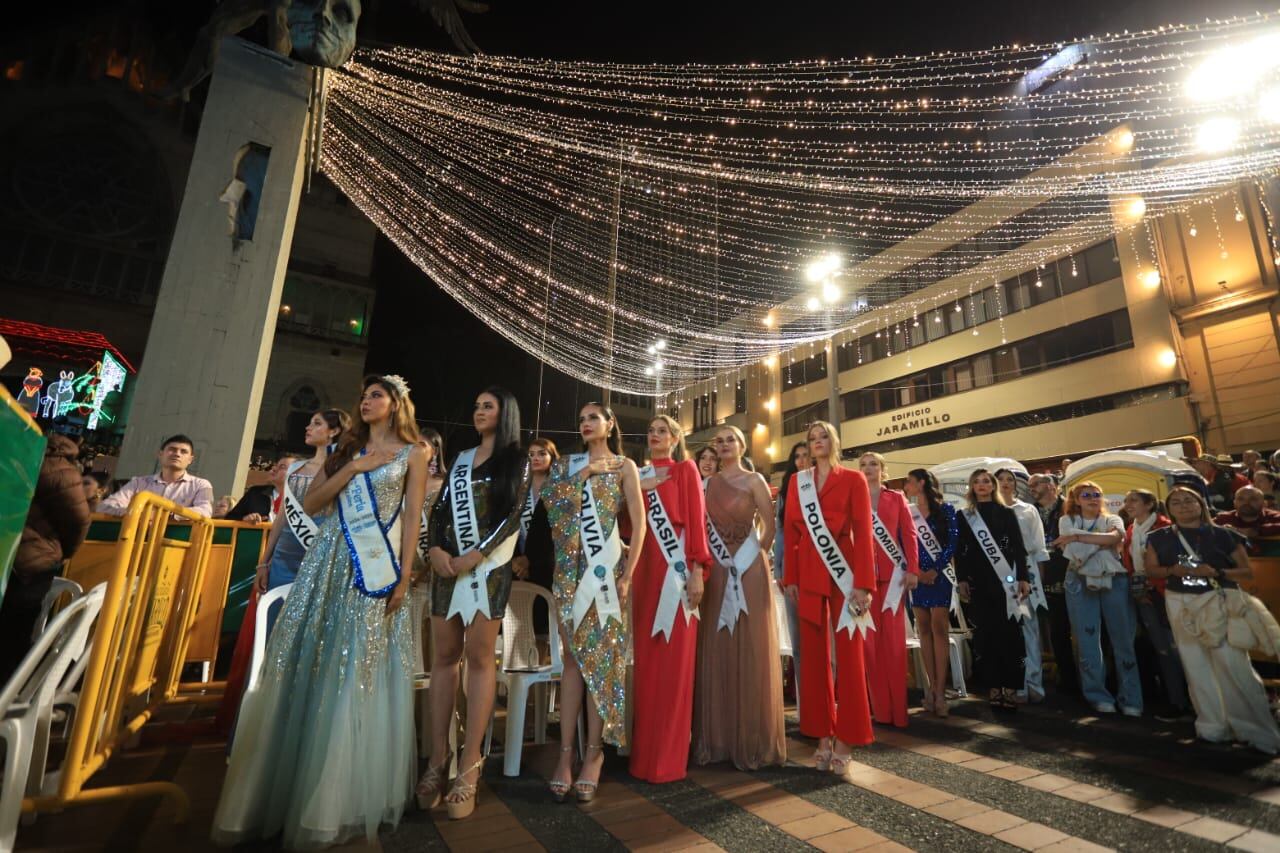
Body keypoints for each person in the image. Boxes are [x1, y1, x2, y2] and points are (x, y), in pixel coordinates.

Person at [212, 375, 429, 849]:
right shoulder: (347, 449)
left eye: (376, 395)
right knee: (310, 658)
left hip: (372, 568)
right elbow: (311, 503)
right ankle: (285, 783)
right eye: (364, 395)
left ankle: (337, 798)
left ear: (396, 403)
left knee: (355, 665)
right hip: (325, 561)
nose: (366, 401)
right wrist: (354, 468)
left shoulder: (415, 453)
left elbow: (412, 515)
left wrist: (404, 574)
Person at [420, 387, 531, 819]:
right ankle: (438, 757)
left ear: (506, 414)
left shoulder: (517, 460)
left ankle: (470, 763)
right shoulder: (462, 459)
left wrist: (477, 554)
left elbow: (513, 515)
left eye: (488, 406)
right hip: (448, 569)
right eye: (477, 406)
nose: (478, 411)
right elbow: (439, 511)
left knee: (480, 659)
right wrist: (435, 549)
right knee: (444, 658)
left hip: (488, 570)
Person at [545, 403, 645, 802]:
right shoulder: (567, 464)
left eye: (593, 418)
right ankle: (564, 754)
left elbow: (638, 524)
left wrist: (628, 575)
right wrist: (585, 473)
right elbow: (552, 507)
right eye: (582, 419)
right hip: (569, 573)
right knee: (572, 660)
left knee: (601, 663)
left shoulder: (624, 466)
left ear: (610, 423)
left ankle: (594, 754)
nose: (586, 423)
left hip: (605, 575)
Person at [1144, 486, 1280, 754]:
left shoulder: (1225, 534)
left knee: (1234, 664)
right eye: (1176, 502)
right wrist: (1173, 569)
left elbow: (1246, 572)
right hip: (1179, 601)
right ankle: (1212, 726)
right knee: (1195, 664)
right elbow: (1152, 570)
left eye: (1189, 500)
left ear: (1201, 504)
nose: (1183, 506)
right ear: (1169, 509)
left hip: (1218, 601)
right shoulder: (1158, 537)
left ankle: (1256, 730)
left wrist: (1216, 572)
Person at [783, 420, 875, 779]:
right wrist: (791, 577)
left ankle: (847, 739)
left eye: (824, 437)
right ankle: (822, 736)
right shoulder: (798, 482)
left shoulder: (853, 479)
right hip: (808, 570)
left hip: (844, 572)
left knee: (849, 656)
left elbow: (864, 532)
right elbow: (791, 533)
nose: (818, 442)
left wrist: (864, 584)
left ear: (834, 442)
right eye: (812, 438)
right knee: (813, 657)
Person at [693, 425, 786, 770]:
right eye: (718, 441)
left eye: (730, 439)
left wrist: (753, 559)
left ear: (742, 445)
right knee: (718, 643)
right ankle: (718, 738)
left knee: (751, 644)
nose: (724, 444)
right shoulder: (708, 484)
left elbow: (770, 526)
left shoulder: (754, 480)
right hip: (717, 570)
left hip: (748, 569)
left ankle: (752, 738)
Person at [630, 414, 711, 784]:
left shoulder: (685, 470)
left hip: (677, 571)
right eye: (651, 430)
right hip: (647, 571)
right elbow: (628, 524)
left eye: (663, 431)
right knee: (647, 667)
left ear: (676, 438)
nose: (655, 435)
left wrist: (697, 570)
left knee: (676, 667)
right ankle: (643, 758)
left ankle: (668, 759)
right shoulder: (638, 474)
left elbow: (696, 520)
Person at [0, 433, 91, 684]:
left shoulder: (24, 460)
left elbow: (77, 520)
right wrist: (59, 553)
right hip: (33, 563)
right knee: (14, 633)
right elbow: (78, 521)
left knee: (12, 631)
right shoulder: (60, 467)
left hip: (22, 561)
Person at [1054, 481, 1141, 716]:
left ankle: (1131, 697)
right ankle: (1097, 695)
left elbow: (1116, 537)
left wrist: (1077, 537)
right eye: (1086, 495)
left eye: (1096, 494)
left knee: (1123, 639)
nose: (1092, 498)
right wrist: (1101, 541)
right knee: (1087, 639)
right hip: (1079, 579)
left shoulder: (1113, 518)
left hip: (1114, 577)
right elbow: (1078, 552)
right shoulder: (1067, 520)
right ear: (1076, 500)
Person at [955, 469, 1030, 711]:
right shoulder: (964, 516)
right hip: (978, 582)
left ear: (993, 485)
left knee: (1010, 635)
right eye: (976, 481)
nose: (981, 485)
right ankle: (993, 687)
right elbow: (960, 551)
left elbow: (1018, 547)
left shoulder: (1006, 513)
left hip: (1005, 581)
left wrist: (1023, 578)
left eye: (986, 481)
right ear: (971, 487)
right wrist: (961, 579)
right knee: (985, 637)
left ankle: (1012, 687)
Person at [253, 413, 350, 594]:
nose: (308, 427)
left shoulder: (345, 470)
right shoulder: (295, 468)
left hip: (320, 553)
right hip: (284, 556)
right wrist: (264, 563)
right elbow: (282, 517)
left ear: (334, 431)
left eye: (317, 423)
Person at [856, 452, 918, 728]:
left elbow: (910, 534)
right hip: (864, 582)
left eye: (873, 464)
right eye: (863, 465)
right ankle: (881, 711)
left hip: (893, 579)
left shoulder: (896, 498)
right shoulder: (853, 497)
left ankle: (899, 712)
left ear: (883, 470)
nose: (868, 468)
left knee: (893, 647)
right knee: (870, 647)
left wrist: (913, 569)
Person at [1121, 489, 1191, 719]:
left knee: (1175, 649)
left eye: (1134, 500)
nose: (1128, 504)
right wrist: (1138, 588)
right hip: (1145, 595)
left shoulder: (1165, 527)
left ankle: (1186, 702)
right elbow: (1131, 564)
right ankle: (1175, 700)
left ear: (1150, 504)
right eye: (1126, 500)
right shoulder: (1132, 528)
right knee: (1162, 650)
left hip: (1167, 593)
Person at [904, 468, 958, 717]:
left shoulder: (946, 510)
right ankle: (931, 688)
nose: (906, 486)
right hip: (917, 577)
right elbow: (903, 542)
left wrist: (936, 569)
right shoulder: (908, 512)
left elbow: (952, 543)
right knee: (923, 629)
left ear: (921, 483)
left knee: (939, 627)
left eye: (909, 482)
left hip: (940, 576)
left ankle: (940, 691)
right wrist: (916, 571)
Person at [995, 468, 1050, 704]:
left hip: (1025, 574)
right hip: (1000, 574)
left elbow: (1039, 547)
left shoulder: (1028, 510)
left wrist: (1038, 578)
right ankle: (1014, 684)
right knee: (1007, 631)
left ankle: (1034, 682)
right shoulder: (986, 512)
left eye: (1010, 479)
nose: (1005, 483)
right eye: (1000, 479)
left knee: (1029, 629)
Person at [1030, 473, 1079, 694]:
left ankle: (1092, 678)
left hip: (1071, 574)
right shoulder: (1031, 511)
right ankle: (1067, 680)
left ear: (1051, 485)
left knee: (1081, 630)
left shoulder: (1069, 507)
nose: (1031, 488)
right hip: (1042, 577)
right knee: (1056, 632)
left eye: (1035, 484)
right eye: (1030, 485)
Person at [98, 434, 214, 517]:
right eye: (172, 449)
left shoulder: (201, 485)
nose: (177, 454)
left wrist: (163, 515)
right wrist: (135, 513)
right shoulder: (138, 482)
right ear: (160, 454)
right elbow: (104, 506)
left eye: (183, 451)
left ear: (190, 459)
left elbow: (205, 511)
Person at [771, 441, 811, 675]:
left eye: (806, 455)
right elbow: (780, 532)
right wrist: (778, 569)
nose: (802, 461)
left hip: (820, 565)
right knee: (797, 637)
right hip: (791, 567)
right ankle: (802, 690)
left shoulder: (823, 486)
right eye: (797, 456)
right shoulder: (786, 493)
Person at [513, 437, 557, 634]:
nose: (535, 458)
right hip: (517, 566)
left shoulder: (558, 488)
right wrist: (517, 560)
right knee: (519, 625)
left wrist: (531, 560)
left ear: (552, 457)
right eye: (531, 454)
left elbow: (558, 533)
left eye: (542, 454)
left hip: (545, 566)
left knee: (542, 627)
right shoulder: (519, 488)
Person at [226, 454, 297, 523]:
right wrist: (244, 519)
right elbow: (230, 518)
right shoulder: (255, 493)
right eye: (275, 465)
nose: (274, 469)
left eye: (282, 467)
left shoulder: (301, 500)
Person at [1214, 486, 1280, 554]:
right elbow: (1208, 527)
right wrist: (1224, 531)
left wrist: (1257, 531)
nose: (1246, 503)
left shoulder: (1274, 516)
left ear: (1264, 503)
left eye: (1253, 499)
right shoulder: (1224, 518)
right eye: (1241, 499)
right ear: (1234, 503)